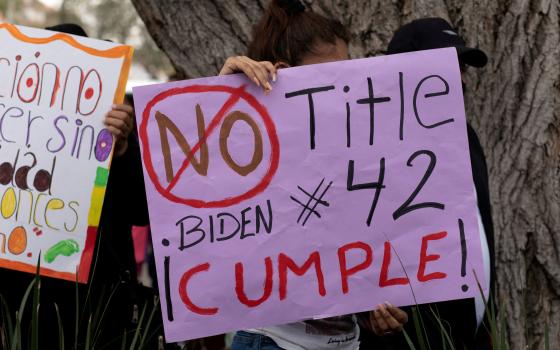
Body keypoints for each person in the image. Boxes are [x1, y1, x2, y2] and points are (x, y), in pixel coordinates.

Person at [219, 1, 407, 349]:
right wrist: (223, 97)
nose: (346, 84)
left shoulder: (355, 150)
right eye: (331, 74)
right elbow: (212, 194)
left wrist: (376, 315)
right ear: (285, 73)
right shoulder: (255, 149)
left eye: (349, 69)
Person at [0, 23, 160, 349]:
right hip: (24, 310)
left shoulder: (113, 138)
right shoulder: (12, 138)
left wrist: (124, 151)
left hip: (100, 312)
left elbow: (142, 213)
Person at [365, 17, 495, 350]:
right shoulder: (372, 150)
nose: (461, 80)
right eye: (446, 68)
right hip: (412, 336)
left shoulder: (466, 138)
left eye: (461, 68)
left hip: (472, 336)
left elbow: (482, 229)